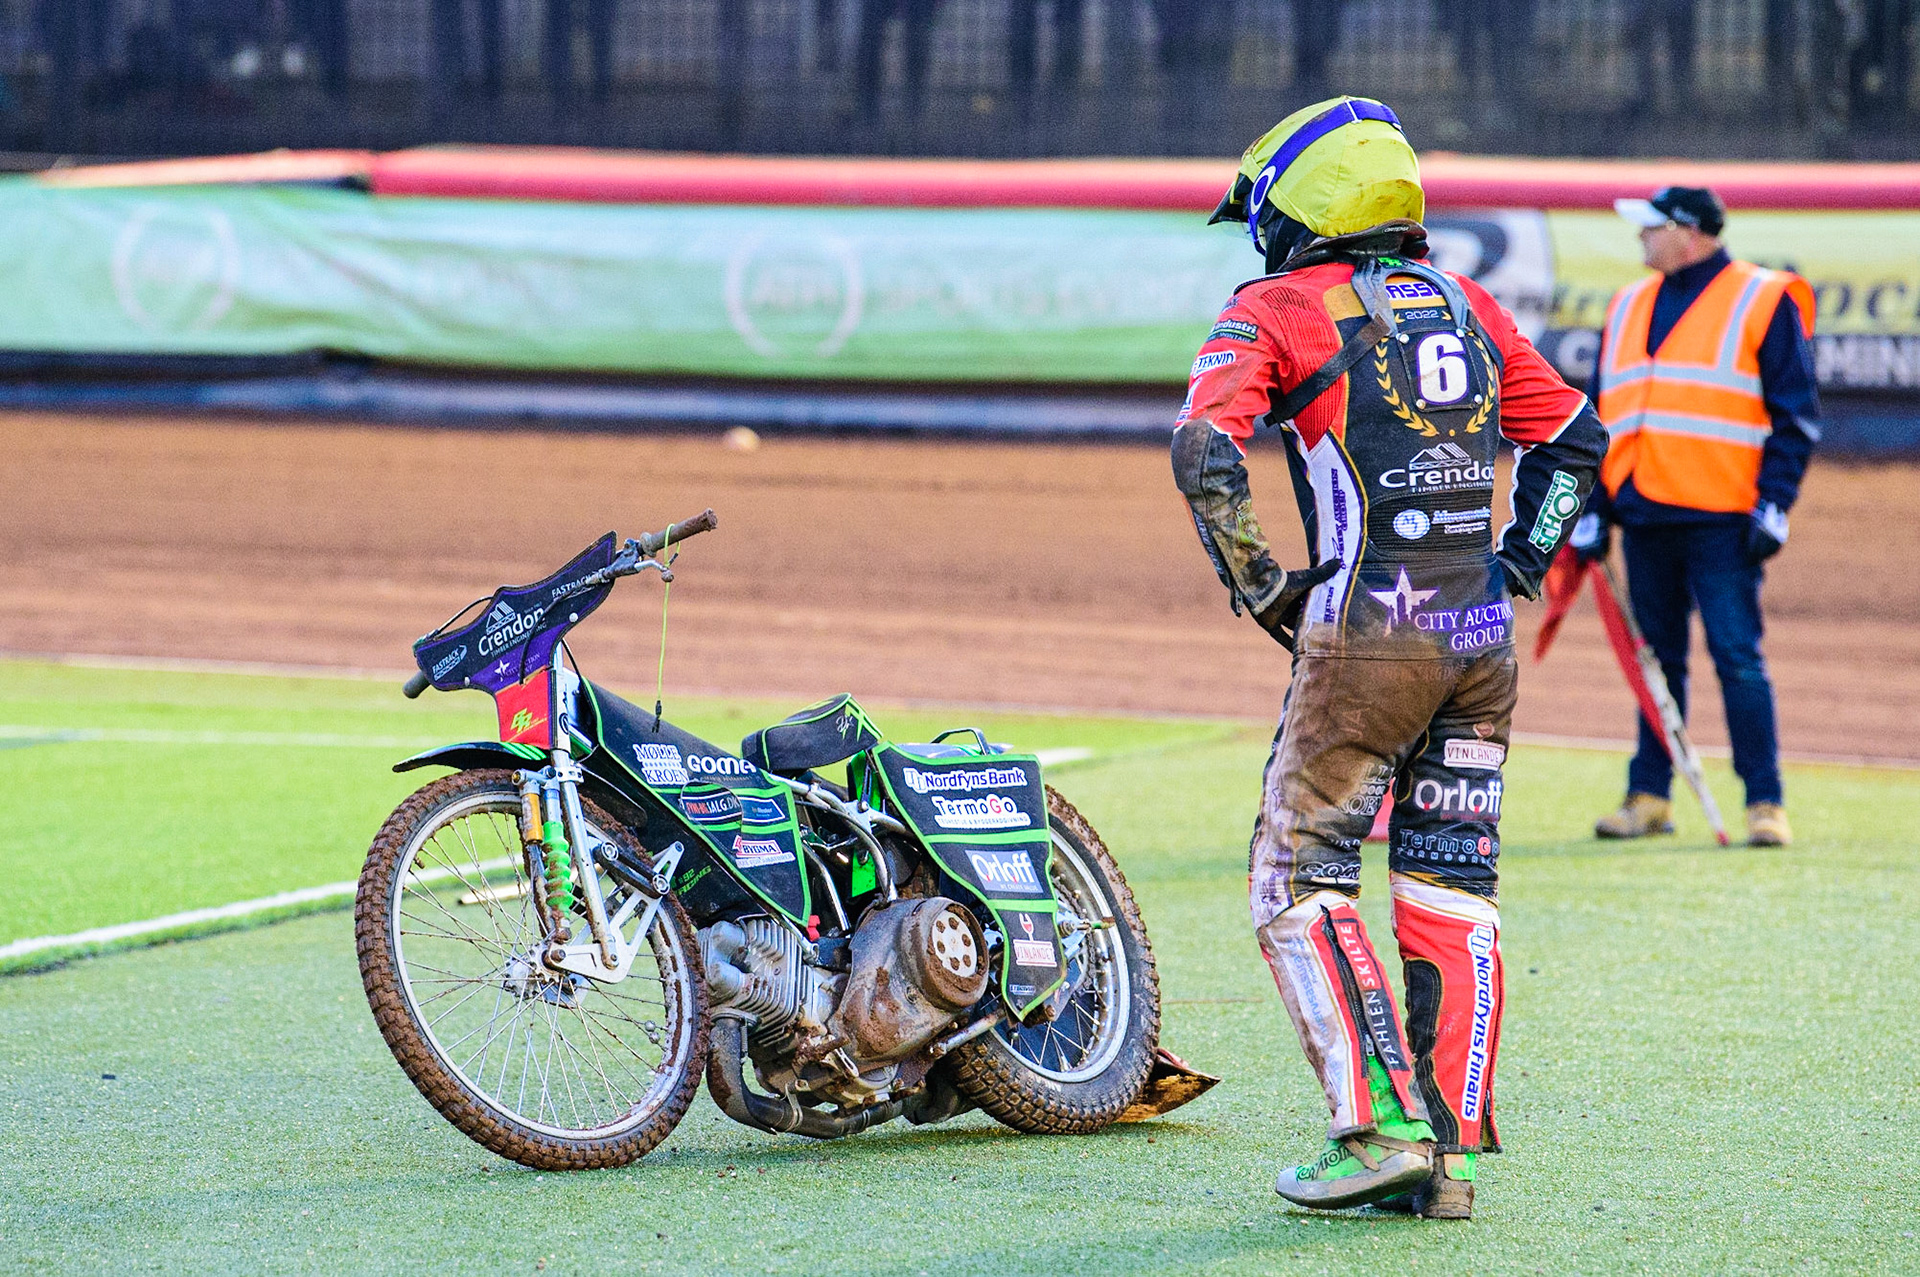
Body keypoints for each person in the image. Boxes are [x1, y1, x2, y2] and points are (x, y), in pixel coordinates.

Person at [1171, 97, 1607, 1218]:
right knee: (1452, 884)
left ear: (1305, 204)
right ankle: (1450, 1159)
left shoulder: (1272, 306)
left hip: (1368, 639)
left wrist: (1261, 586)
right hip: (1479, 642)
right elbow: (1573, 442)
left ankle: (1377, 1126)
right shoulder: (1466, 305)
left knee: (1294, 874)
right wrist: (1517, 569)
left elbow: (1204, 446)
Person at [1575, 187, 1819, 847]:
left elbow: (1795, 416)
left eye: (1650, 228)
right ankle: (1649, 793)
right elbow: (1605, 419)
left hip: (1722, 517)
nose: (1640, 240)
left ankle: (1765, 801)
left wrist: (1774, 503)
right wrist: (1591, 508)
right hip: (1643, 512)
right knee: (1656, 660)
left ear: (1689, 231)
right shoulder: (1627, 304)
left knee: (1737, 656)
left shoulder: (1761, 296)